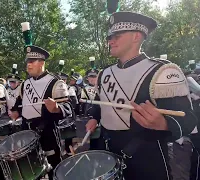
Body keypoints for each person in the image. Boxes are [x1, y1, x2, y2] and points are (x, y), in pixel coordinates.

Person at [85, 11, 198, 180]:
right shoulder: (104, 73)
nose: (110, 40)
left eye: (117, 35)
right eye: (109, 36)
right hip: (108, 152)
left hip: (146, 159)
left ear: (136, 36)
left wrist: (164, 123)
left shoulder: (163, 71)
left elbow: (188, 119)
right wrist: (94, 117)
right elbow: (100, 102)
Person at [10, 45, 72, 180]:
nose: (28, 65)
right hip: (26, 130)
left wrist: (56, 108)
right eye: (27, 61)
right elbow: (20, 104)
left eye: (32, 61)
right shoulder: (25, 83)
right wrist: (15, 112)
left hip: (47, 132)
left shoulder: (55, 82)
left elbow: (68, 107)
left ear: (42, 63)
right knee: (31, 168)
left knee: (53, 168)